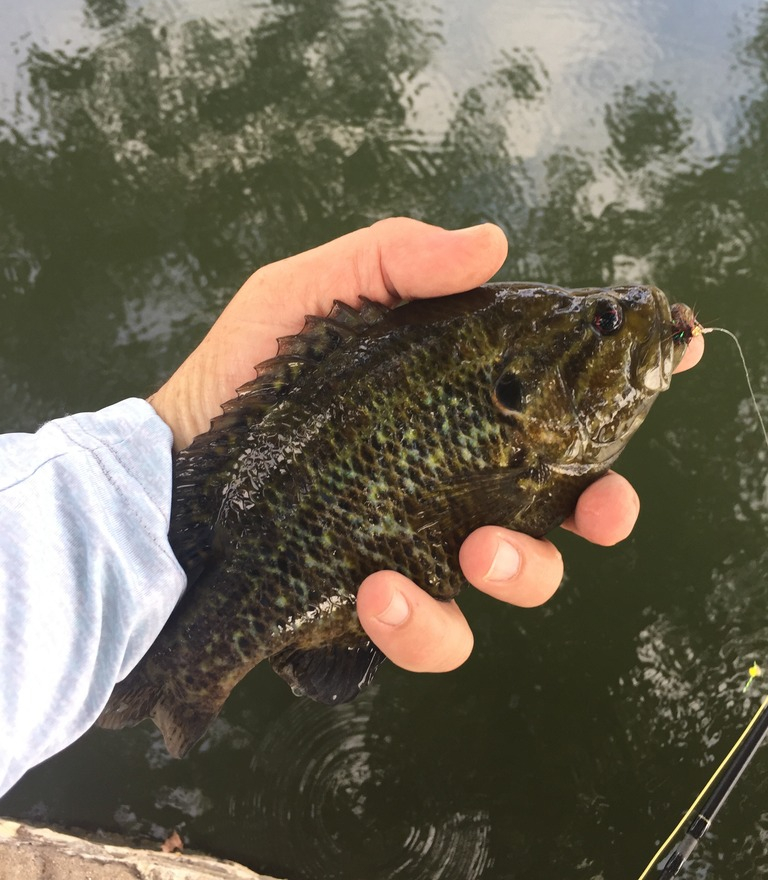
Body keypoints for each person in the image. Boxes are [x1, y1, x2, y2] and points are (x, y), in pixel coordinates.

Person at [0, 218, 703, 796]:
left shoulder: (529, 409)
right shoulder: (521, 403)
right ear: (519, 391)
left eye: (603, 319)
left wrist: (115, 513)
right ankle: (180, 671)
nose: (622, 317)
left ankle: (177, 669)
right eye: (604, 320)